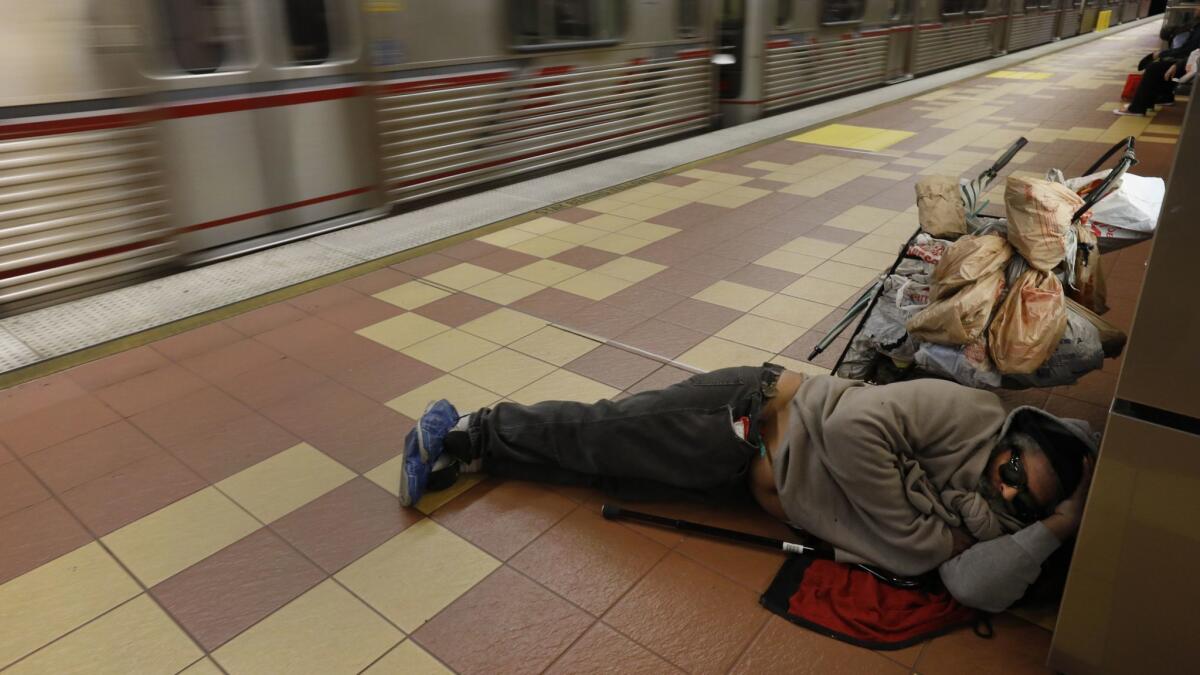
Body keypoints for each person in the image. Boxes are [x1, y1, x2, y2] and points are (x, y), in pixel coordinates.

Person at [401, 365, 1096, 612]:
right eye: (1011, 473)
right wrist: (920, 530)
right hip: (745, 416)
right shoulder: (970, 414)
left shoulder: (1013, 524)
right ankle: (469, 431)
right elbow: (855, 429)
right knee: (604, 432)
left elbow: (969, 584)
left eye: (1025, 504)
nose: (1007, 496)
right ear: (1014, 438)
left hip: (739, 478)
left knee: (606, 471)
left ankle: (485, 460)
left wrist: (1055, 528)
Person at [1116, 27, 1200, 116]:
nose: (1195, 11)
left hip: (1193, 66)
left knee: (1154, 68)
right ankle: (1161, 98)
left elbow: (1188, 51)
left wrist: (1176, 63)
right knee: (1160, 66)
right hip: (1191, 63)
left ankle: (1137, 108)